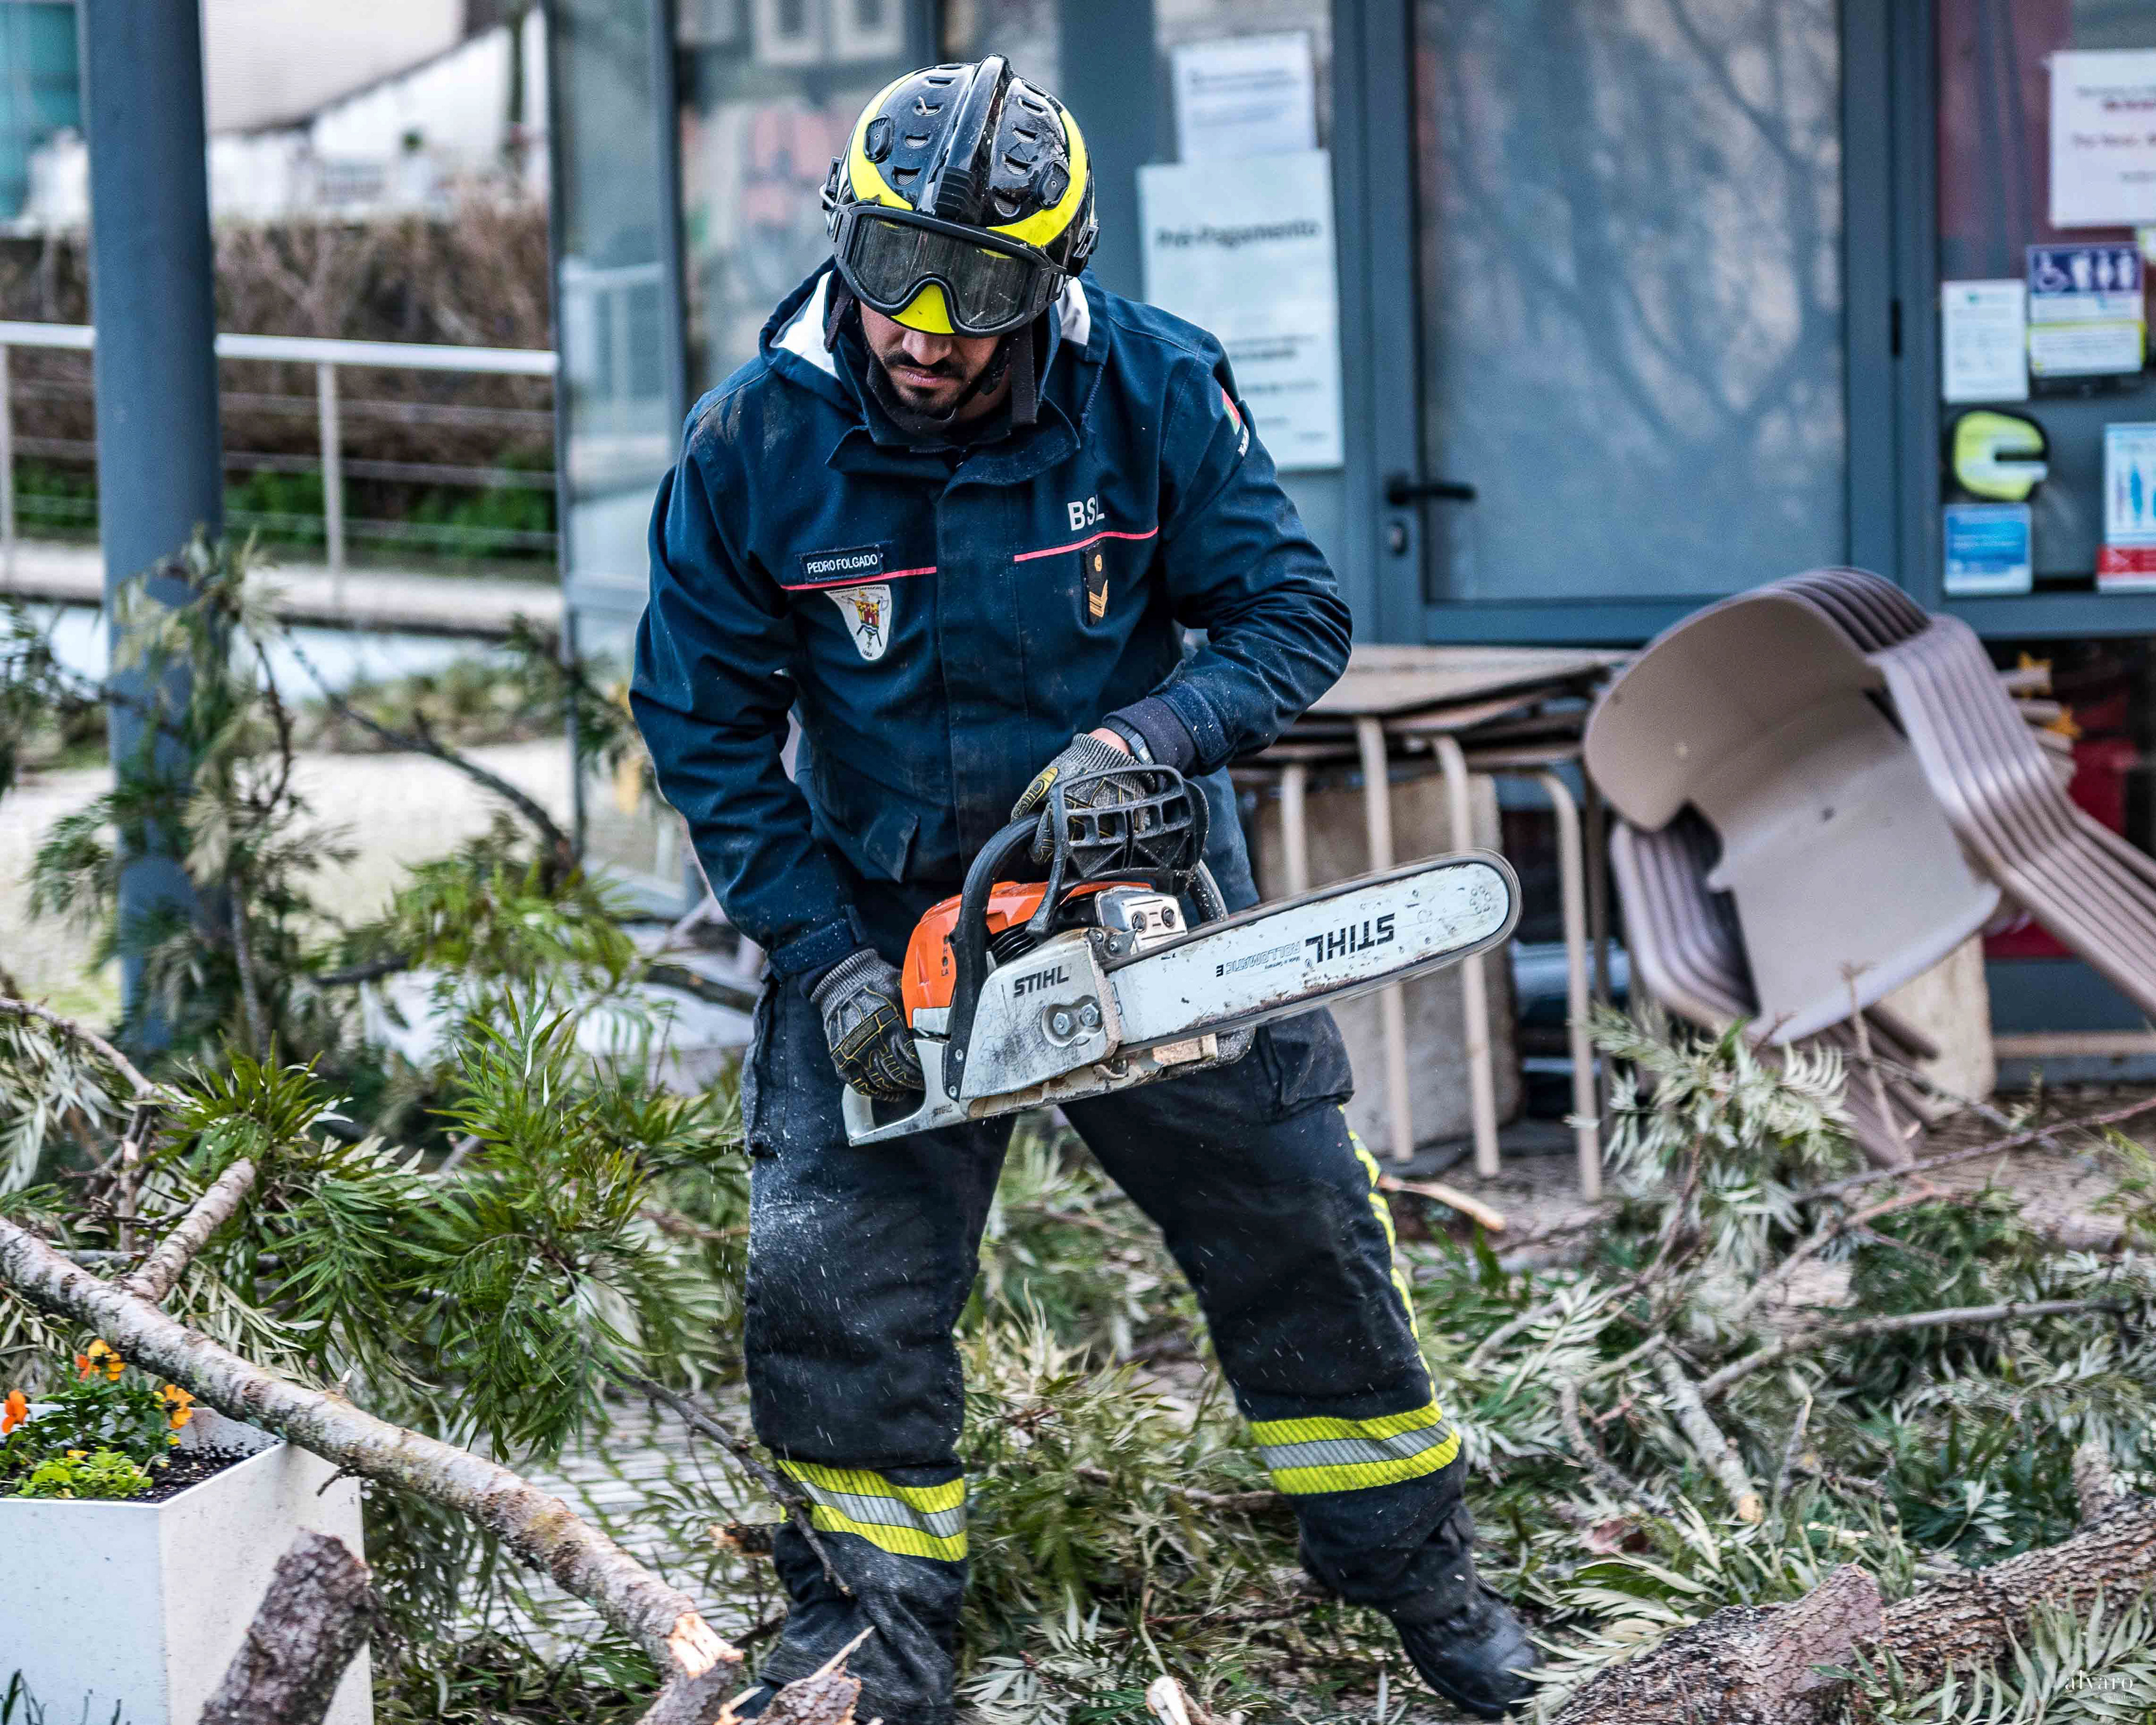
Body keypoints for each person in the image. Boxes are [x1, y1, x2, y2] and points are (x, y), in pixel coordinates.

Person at [631, 56, 1537, 1723]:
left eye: (975, 295)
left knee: (1297, 1225)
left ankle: (1429, 1588)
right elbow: (702, 725)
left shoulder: (1153, 389)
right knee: (838, 1287)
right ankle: (867, 1650)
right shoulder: (755, 441)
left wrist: (1153, 736)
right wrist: (825, 957)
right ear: (846, 238)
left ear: (1053, 278)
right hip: (886, 905)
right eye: (897, 273)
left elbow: (1291, 614)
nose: (925, 331)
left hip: (1141, 888)